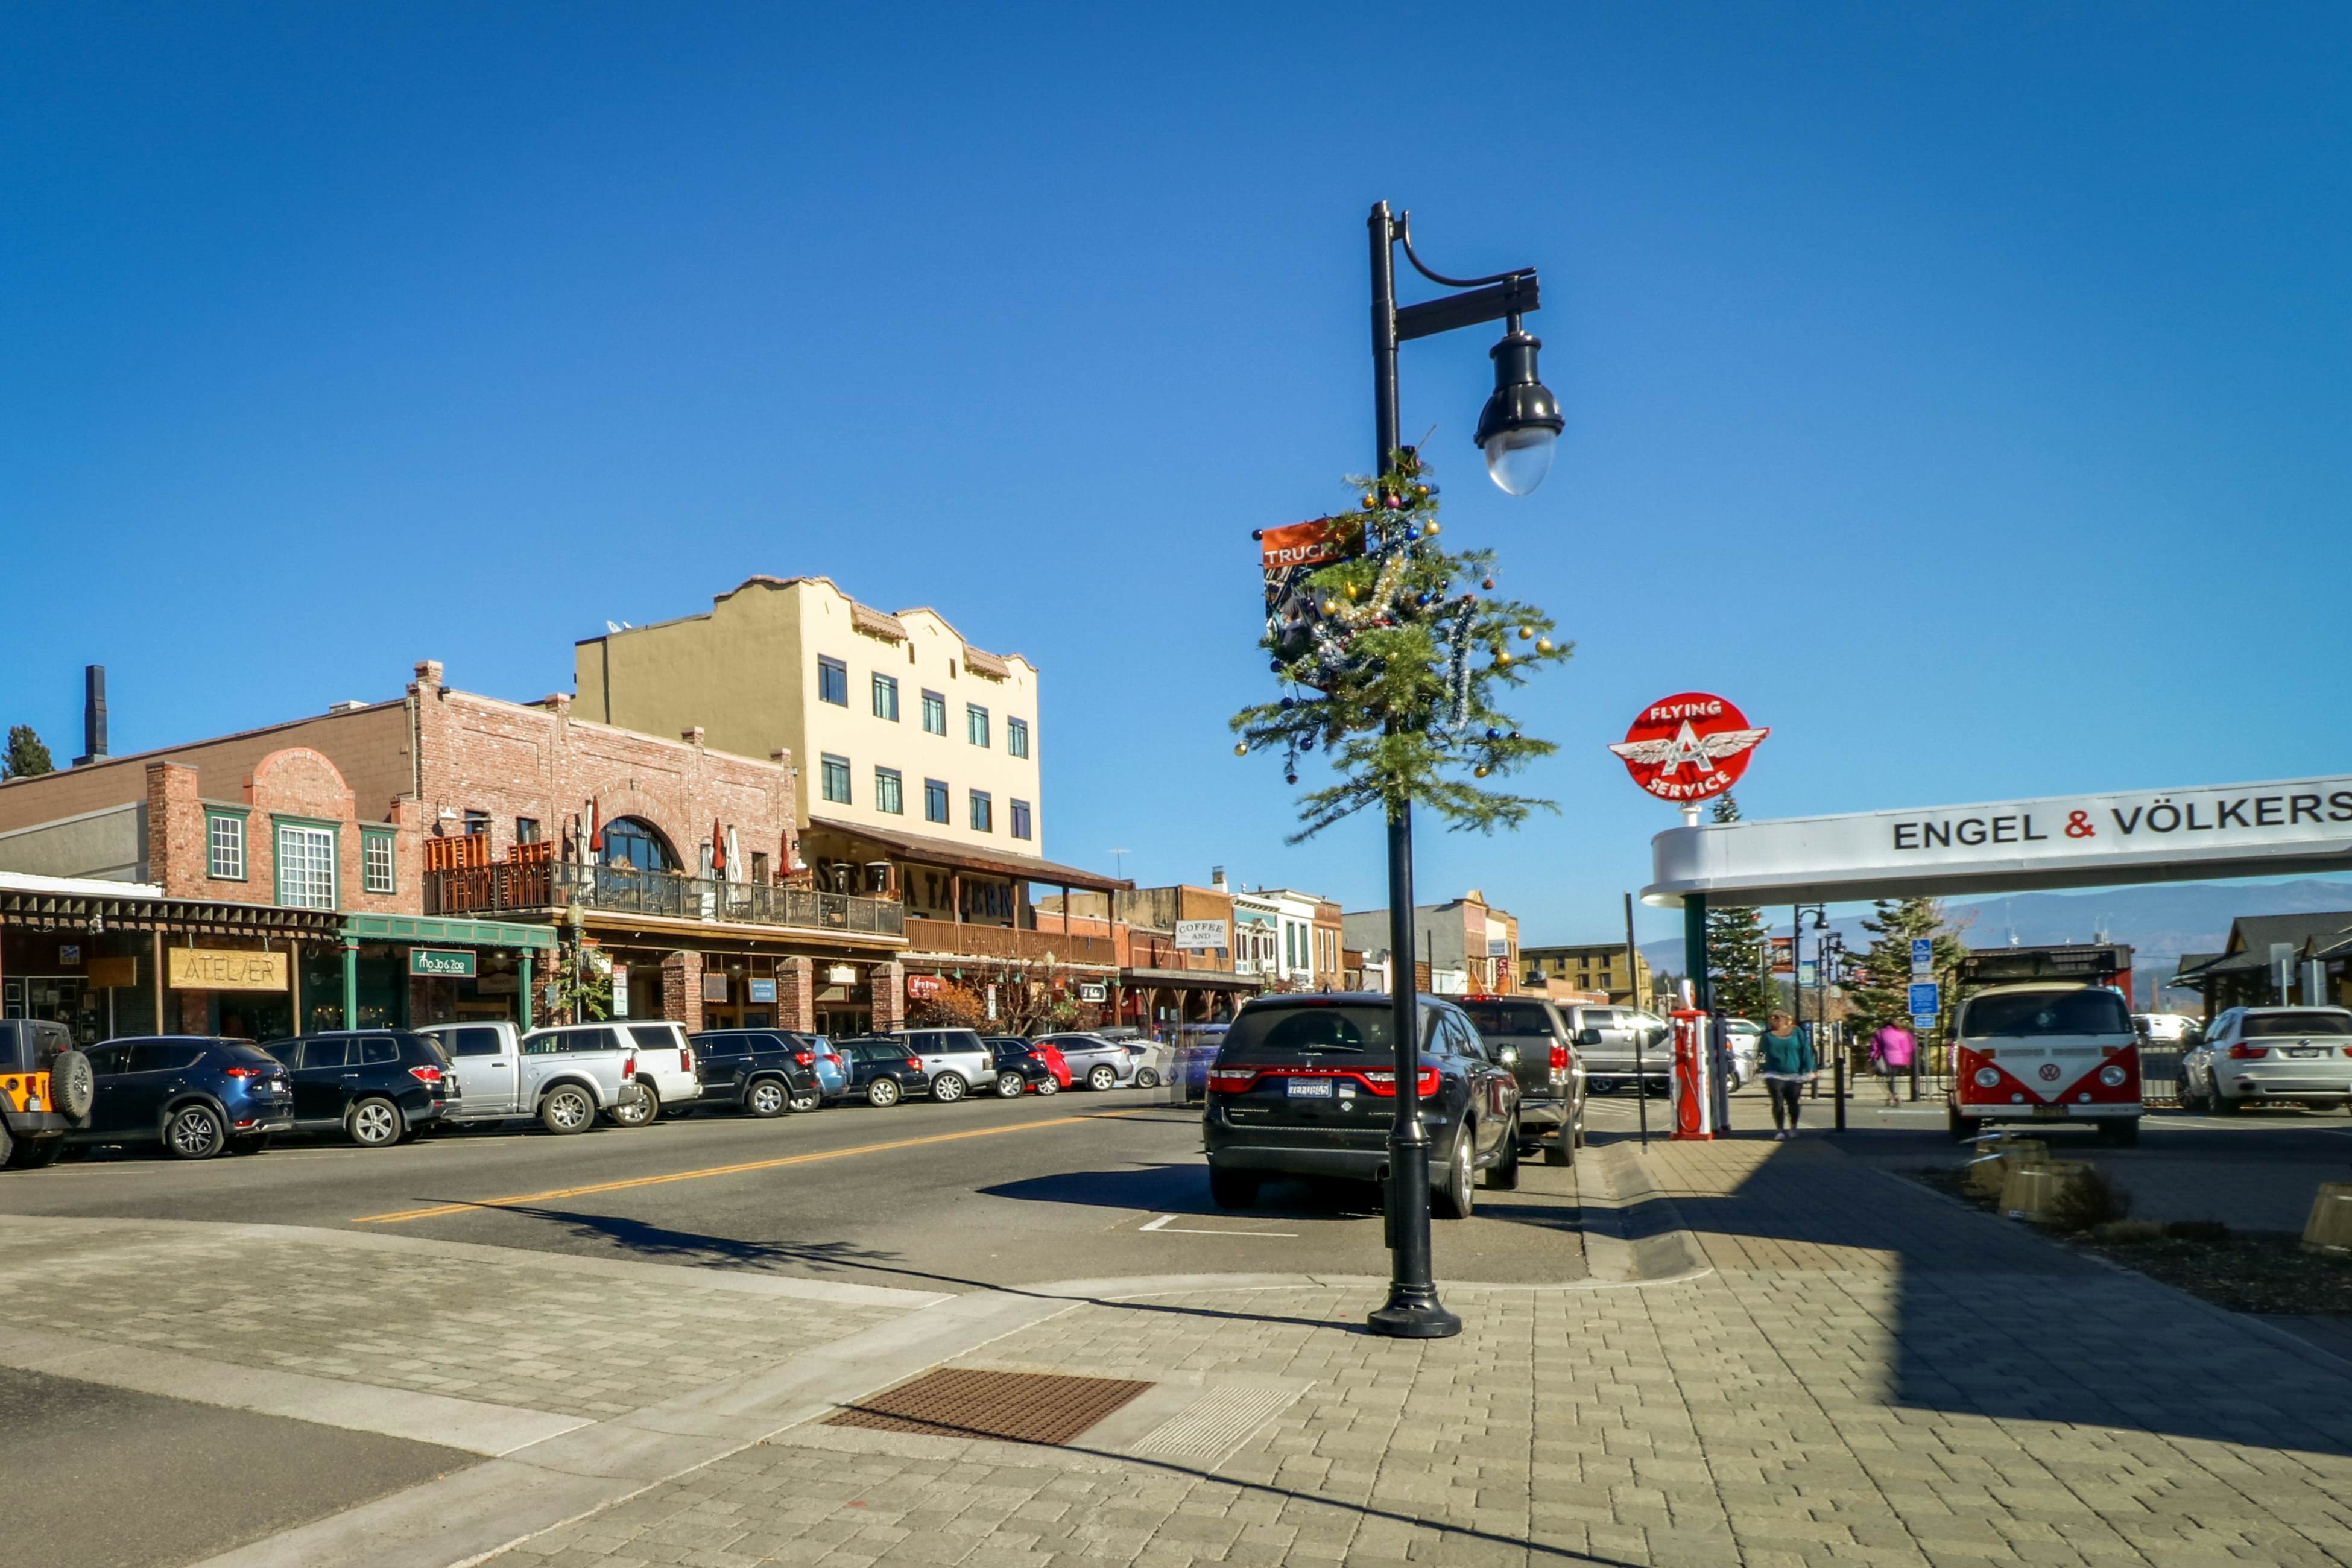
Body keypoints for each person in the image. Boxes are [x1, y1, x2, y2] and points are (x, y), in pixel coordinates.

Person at [1757, 1010, 1816, 1140]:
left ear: (1787, 1019)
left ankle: (1793, 1126)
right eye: (1774, 1017)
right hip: (1774, 1074)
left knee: (1793, 1102)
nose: (1777, 1019)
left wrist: (1809, 1069)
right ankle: (1779, 1129)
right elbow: (1762, 1053)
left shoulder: (1797, 1033)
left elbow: (1806, 1050)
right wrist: (1762, 1068)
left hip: (1794, 1074)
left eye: (1780, 1017)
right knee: (1777, 1100)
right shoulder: (1767, 1036)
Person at [1868, 1020, 1916, 1107]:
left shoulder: (1881, 1033)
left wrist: (1873, 1057)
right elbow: (1908, 1047)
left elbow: (1875, 1046)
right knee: (1895, 1077)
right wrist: (1907, 1059)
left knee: (1890, 1078)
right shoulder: (1903, 1033)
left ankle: (1893, 1095)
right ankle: (1894, 1095)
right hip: (1901, 1060)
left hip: (1888, 1058)